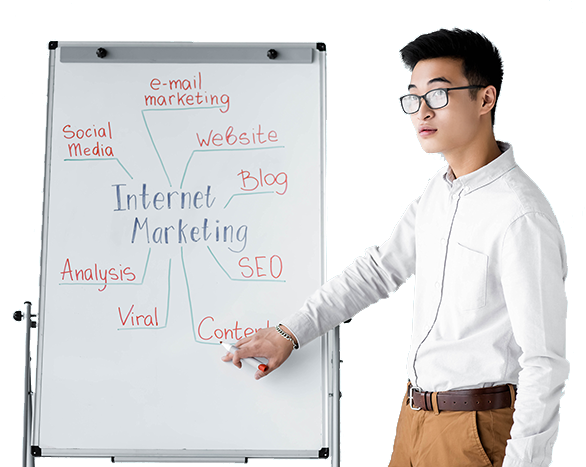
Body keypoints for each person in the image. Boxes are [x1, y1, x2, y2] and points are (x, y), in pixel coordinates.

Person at [222, 28, 569, 467]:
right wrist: (289, 333)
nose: (421, 111)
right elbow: (377, 271)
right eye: (412, 97)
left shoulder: (522, 216)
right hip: (414, 420)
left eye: (439, 95)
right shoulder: (438, 193)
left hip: (476, 428)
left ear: (486, 99)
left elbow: (544, 362)